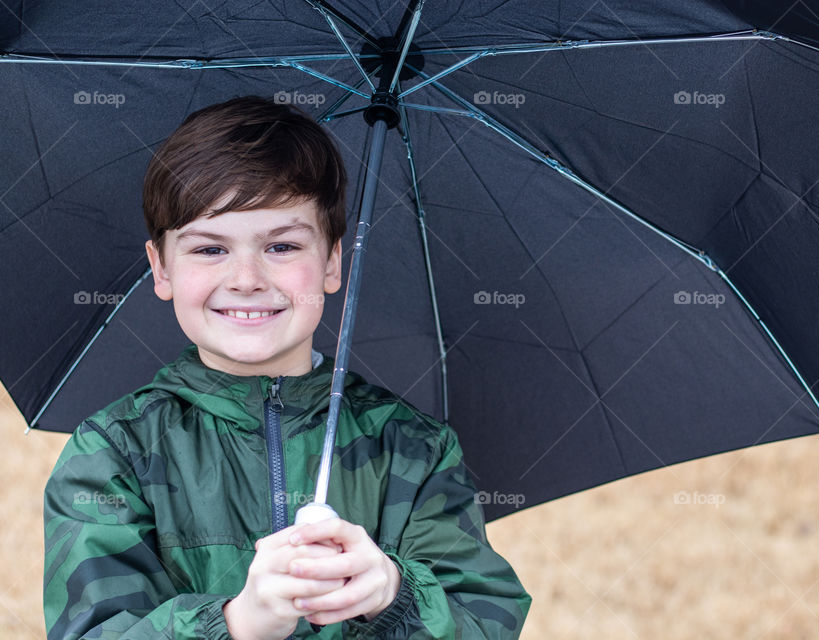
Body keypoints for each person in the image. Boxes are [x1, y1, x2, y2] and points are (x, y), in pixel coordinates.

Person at [42, 96, 531, 639]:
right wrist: (238, 623)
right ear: (161, 268)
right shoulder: (113, 454)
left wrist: (393, 594)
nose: (247, 278)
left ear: (332, 262)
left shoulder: (412, 448)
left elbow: (486, 619)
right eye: (209, 250)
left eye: (281, 245)